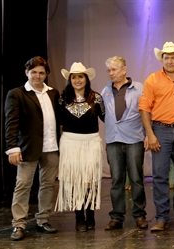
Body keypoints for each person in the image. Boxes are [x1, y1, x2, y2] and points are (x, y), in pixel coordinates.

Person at [138, 41, 174, 231]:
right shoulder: (152, 80)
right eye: (166, 57)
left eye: (172, 57)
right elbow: (144, 108)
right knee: (160, 175)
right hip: (160, 130)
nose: (169, 61)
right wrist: (150, 134)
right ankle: (161, 217)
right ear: (162, 59)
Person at [5, 56, 60, 240]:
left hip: (51, 147)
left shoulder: (53, 93)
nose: (37, 76)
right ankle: (19, 224)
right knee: (23, 185)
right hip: (28, 148)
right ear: (27, 72)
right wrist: (12, 147)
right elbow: (11, 123)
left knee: (48, 185)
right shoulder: (17, 93)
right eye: (34, 72)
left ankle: (43, 220)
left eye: (41, 72)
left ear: (46, 74)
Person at [55, 62, 105, 232]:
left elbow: (106, 118)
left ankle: (90, 215)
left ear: (86, 79)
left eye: (80, 76)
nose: (77, 80)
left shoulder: (96, 98)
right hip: (70, 143)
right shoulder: (63, 98)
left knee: (90, 181)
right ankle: (79, 217)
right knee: (76, 181)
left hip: (92, 143)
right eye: (74, 77)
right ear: (70, 79)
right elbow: (57, 121)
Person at [101, 56, 148, 230]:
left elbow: (145, 112)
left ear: (124, 69)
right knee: (116, 180)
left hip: (134, 139)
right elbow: (103, 113)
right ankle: (117, 216)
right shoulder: (105, 90)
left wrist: (148, 134)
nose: (111, 73)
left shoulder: (139, 88)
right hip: (113, 140)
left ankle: (139, 215)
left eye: (114, 69)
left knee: (136, 178)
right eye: (109, 70)